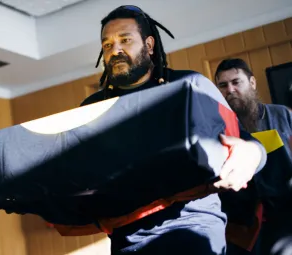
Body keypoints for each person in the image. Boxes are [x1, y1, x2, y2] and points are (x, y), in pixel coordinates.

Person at [80, 5, 267, 255]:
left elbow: (246, 143)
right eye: (107, 45)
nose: (115, 50)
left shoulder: (189, 85)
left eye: (125, 40)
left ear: (149, 44)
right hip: (127, 241)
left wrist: (252, 154)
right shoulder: (91, 109)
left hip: (195, 230)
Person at [214, 58, 292, 255]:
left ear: (252, 83)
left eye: (236, 82)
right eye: (223, 85)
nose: (229, 90)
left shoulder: (283, 115)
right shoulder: (218, 130)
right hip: (243, 225)